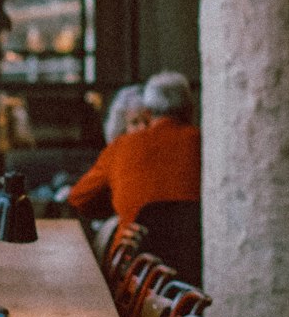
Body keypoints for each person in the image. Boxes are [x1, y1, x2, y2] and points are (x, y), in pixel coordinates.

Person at [67, 70, 200, 245]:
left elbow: (78, 199)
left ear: (147, 112)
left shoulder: (121, 146)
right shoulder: (205, 144)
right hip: (194, 258)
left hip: (138, 264)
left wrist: (120, 204)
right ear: (190, 109)